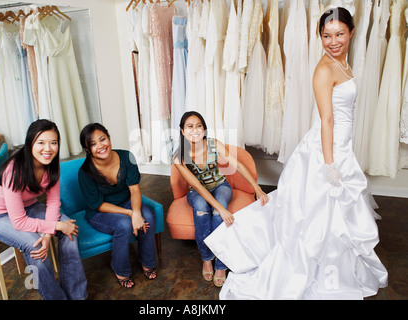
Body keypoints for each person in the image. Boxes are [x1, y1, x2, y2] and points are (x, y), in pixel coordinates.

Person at [204, 7, 388, 299]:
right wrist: (329, 164)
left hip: (340, 146)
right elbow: (327, 120)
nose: (333, 41)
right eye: (326, 36)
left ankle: (335, 268)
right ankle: (316, 269)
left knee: (336, 218)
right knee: (318, 215)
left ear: (351, 32)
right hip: (325, 151)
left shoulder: (343, 64)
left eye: (339, 34)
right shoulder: (324, 69)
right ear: (320, 37)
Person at [0, 119, 87, 300]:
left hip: (29, 207)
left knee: (70, 230)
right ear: (30, 142)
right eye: (41, 143)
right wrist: (55, 226)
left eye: (53, 143)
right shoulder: (14, 171)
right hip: (0, 216)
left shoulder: (51, 165)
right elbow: (18, 221)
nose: (48, 149)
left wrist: (49, 233)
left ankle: (77, 295)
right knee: (35, 246)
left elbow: (54, 202)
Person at [173, 111, 269, 287]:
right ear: (182, 131)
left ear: (204, 129)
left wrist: (258, 188)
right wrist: (222, 209)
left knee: (218, 214)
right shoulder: (179, 156)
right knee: (202, 210)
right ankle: (207, 258)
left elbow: (237, 164)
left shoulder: (213, 144)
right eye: (190, 126)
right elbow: (199, 186)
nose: (195, 130)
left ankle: (221, 264)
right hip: (197, 192)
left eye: (199, 125)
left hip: (220, 186)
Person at [78, 123, 157, 288]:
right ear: (87, 149)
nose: (101, 146)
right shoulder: (85, 172)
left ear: (109, 138)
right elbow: (97, 205)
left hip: (127, 201)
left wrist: (136, 212)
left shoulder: (127, 157)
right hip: (100, 211)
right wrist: (130, 214)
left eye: (103, 139)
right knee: (123, 224)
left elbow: (134, 190)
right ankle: (120, 269)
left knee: (148, 215)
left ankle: (148, 262)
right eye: (93, 144)